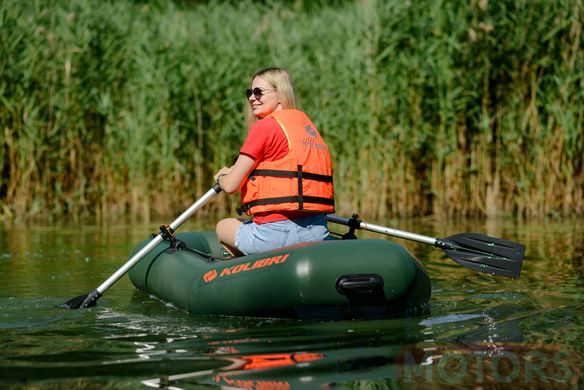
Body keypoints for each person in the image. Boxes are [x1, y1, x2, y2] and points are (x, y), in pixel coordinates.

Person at [213, 67, 335, 257]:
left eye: (258, 92)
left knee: (223, 226)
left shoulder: (266, 127)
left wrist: (222, 176)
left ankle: (247, 274)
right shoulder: (307, 127)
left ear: (280, 93)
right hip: (318, 231)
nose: (252, 98)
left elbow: (230, 186)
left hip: (276, 236)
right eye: (250, 93)